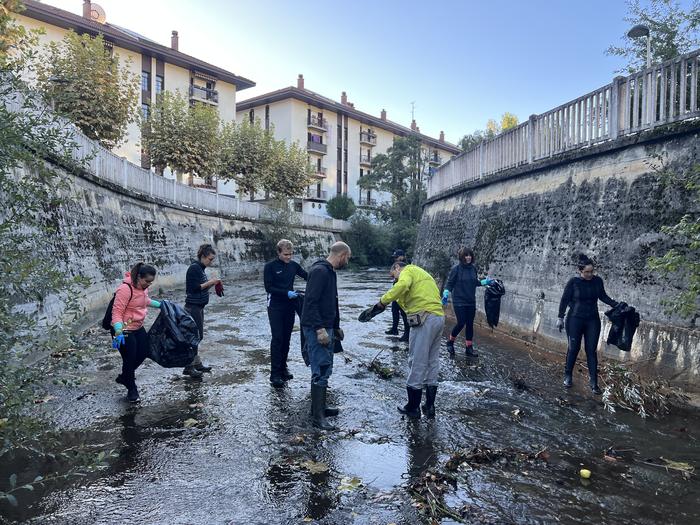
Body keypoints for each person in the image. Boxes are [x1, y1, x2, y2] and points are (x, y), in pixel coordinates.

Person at [374, 261, 445, 418]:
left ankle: (413, 407)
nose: (395, 280)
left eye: (393, 275)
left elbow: (402, 285)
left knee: (416, 361)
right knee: (432, 361)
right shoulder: (423, 274)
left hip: (424, 319)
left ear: (397, 268)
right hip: (439, 317)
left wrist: (382, 302)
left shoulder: (407, 271)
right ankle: (429, 405)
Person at [301, 241, 351, 430]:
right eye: (348, 258)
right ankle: (317, 417)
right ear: (343, 255)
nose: (348, 261)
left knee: (326, 367)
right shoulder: (320, 272)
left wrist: (336, 326)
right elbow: (311, 302)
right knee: (320, 368)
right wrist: (320, 329)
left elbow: (333, 301)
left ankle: (319, 407)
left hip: (327, 326)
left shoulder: (329, 272)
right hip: (317, 328)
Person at [557, 254, 619, 394]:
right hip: (575, 319)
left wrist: (616, 304)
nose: (590, 274)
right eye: (587, 272)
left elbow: (603, 296)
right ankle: (568, 375)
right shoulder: (573, 282)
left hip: (592, 319)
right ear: (580, 271)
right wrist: (560, 317)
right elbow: (564, 300)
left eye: (592, 271)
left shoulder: (597, 281)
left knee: (591, 350)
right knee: (574, 348)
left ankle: (594, 382)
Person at [111, 262, 161, 403]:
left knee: (145, 351)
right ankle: (132, 390)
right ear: (139, 277)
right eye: (147, 281)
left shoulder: (142, 287)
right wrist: (118, 331)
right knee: (130, 357)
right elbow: (117, 312)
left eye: (151, 282)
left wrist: (161, 305)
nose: (148, 285)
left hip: (137, 326)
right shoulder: (125, 289)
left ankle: (125, 376)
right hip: (123, 329)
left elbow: (144, 301)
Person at [264, 239, 308, 388]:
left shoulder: (294, 265)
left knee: (287, 338)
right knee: (278, 339)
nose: (289, 257)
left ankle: (283, 368)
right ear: (278, 252)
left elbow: (308, 276)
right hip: (275, 306)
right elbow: (268, 288)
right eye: (285, 254)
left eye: (290, 254)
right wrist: (286, 292)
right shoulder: (270, 267)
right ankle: (274, 374)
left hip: (290, 306)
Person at [442, 247, 494, 357]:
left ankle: (469, 348)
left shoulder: (473, 269)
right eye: (466, 255)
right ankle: (450, 342)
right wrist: (446, 293)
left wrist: (486, 282)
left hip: (470, 300)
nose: (468, 257)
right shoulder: (456, 269)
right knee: (461, 322)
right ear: (462, 257)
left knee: (470, 324)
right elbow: (450, 283)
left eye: (470, 255)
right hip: (459, 301)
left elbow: (475, 282)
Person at [183, 243, 222, 378]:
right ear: (203, 256)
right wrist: (212, 282)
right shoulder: (194, 268)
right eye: (210, 259)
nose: (211, 262)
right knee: (194, 337)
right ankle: (189, 366)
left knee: (197, 336)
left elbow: (200, 287)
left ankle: (196, 363)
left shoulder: (200, 268)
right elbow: (193, 288)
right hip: (193, 307)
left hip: (198, 307)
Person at [385, 249, 410, 342]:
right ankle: (394, 329)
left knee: (404, 313)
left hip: (403, 292)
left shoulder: (407, 266)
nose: (395, 259)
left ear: (402, 256)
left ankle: (407, 333)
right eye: (394, 257)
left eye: (397, 257)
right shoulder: (396, 266)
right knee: (394, 310)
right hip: (397, 289)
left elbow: (405, 283)